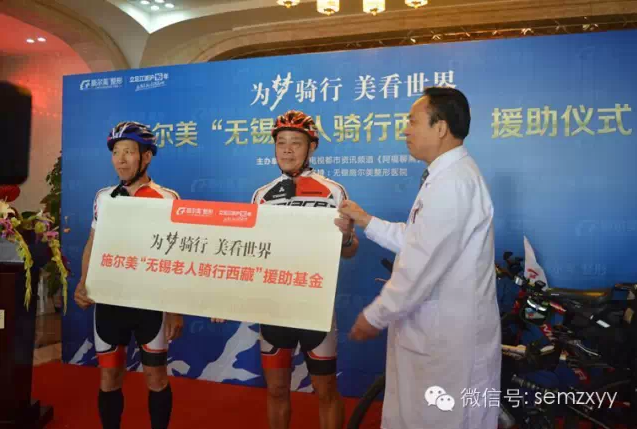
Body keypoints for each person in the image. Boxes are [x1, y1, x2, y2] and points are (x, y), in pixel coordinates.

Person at [338, 87, 502, 428]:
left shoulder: (453, 183)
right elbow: (418, 241)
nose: (405, 130)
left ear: (440, 127)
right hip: (432, 335)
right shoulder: (443, 178)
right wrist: (366, 220)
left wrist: (376, 315)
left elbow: (421, 263)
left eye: (413, 121)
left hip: (447, 342)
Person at [251, 110, 359, 429]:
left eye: (295, 143)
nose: (286, 150)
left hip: (315, 306)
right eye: (281, 143)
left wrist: (346, 238)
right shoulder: (262, 195)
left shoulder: (333, 192)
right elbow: (252, 254)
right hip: (274, 306)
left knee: (326, 391)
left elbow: (350, 252)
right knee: (276, 390)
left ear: (311, 147)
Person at [74, 121, 184, 429]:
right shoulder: (104, 197)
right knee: (109, 377)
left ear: (146, 157)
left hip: (150, 303)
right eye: (116, 152)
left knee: (156, 377)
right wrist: (83, 283)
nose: (120, 160)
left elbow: (176, 255)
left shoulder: (167, 198)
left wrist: (175, 309)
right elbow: (93, 242)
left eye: (128, 152)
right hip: (110, 300)